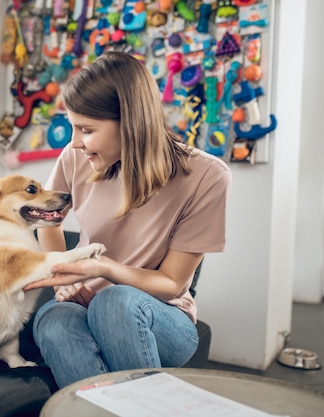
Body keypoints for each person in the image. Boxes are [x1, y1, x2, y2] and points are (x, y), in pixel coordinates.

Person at [23, 51, 232, 389]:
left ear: (131, 122)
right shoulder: (76, 156)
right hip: (83, 305)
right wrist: (63, 277)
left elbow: (171, 283)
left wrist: (104, 269)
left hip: (160, 315)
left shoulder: (206, 176)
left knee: (114, 300)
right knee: (55, 319)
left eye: (86, 129)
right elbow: (50, 219)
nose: (75, 142)